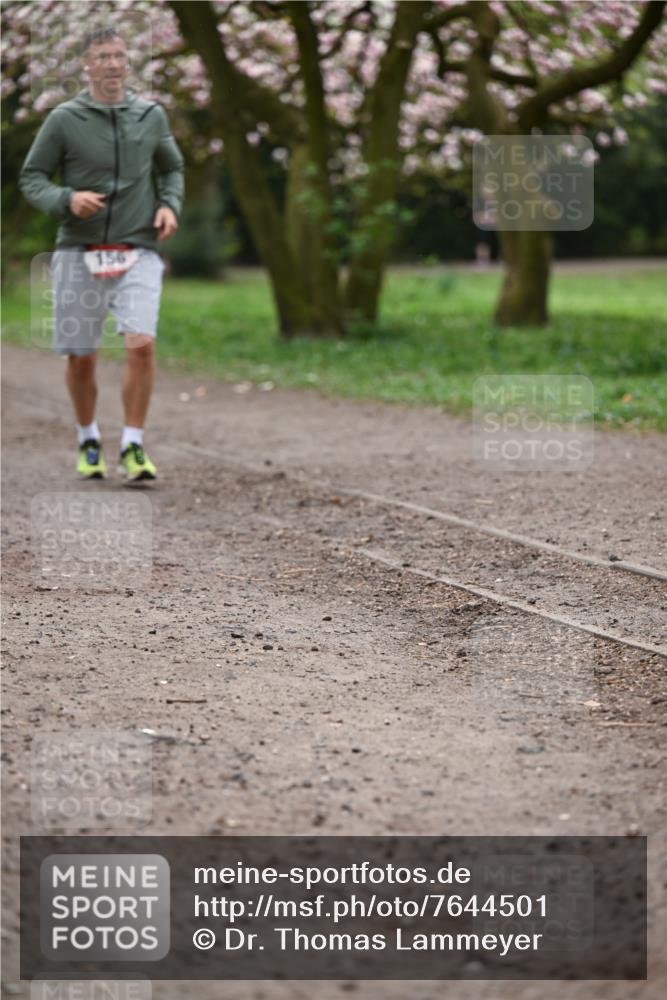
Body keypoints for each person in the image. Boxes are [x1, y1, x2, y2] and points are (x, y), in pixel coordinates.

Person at [19, 27, 184, 481]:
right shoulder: (63, 120)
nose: (112, 64)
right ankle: (88, 437)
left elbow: (172, 168)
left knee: (142, 344)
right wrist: (66, 200)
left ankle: (133, 445)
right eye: (102, 56)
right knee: (82, 355)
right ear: (86, 67)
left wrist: (170, 204)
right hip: (79, 251)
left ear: (127, 64)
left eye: (119, 56)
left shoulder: (151, 115)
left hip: (138, 249)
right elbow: (32, 177)